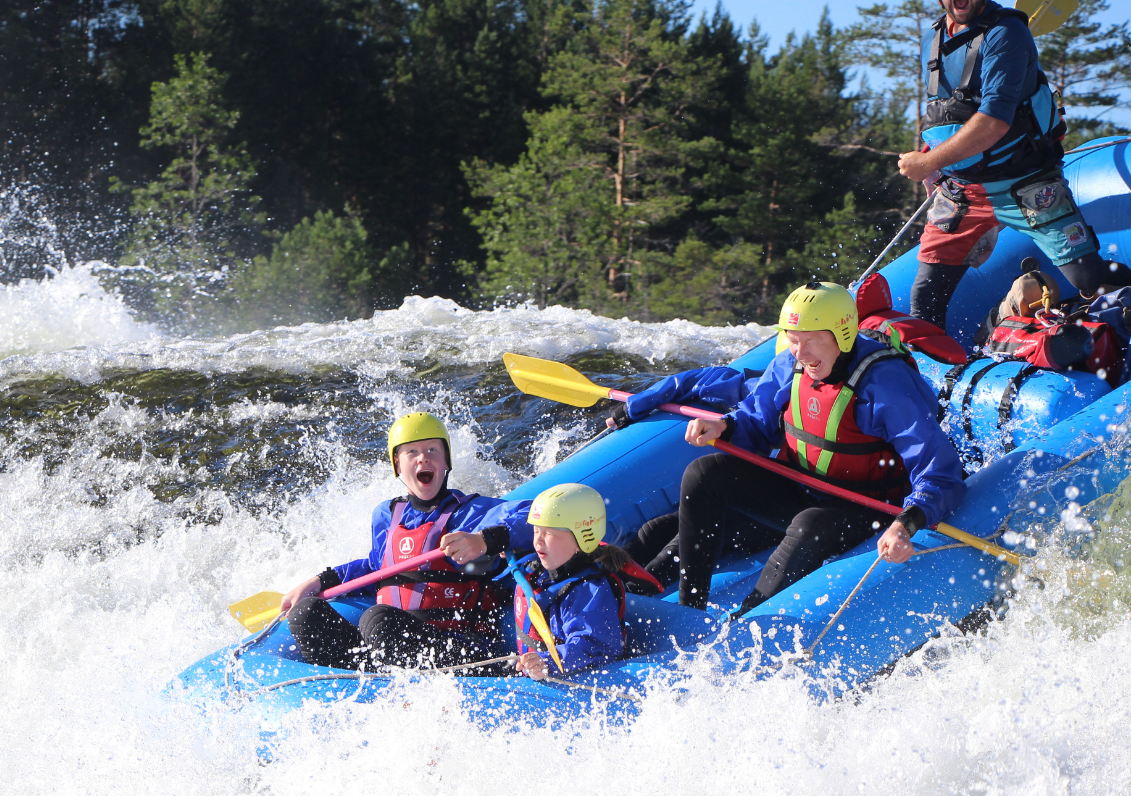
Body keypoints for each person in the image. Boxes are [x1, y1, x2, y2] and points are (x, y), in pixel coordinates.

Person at [631, 282, 967, 613]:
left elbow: (940, 474)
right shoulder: (789, 366)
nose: (800, 353)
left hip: (866, 507)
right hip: (803, 488)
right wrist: (726, 426)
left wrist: (905, 524)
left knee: (809, 524)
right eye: (793, 340)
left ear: (843, 334)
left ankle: (743, 623)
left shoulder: (885, 383)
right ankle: (690, 610)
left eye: (812, 341)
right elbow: (756, 425)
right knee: (702, 474)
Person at [896, 0, 1131, 332]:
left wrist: (927, 162)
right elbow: (950, 111)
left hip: (1027, 181)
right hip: (963, 190)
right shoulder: (932, 40)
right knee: (926, 297)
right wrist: (933, 161)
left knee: (1089, 280)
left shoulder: (1007, 33)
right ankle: (930, 383)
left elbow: (994, 120)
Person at [281, 412, 534, 671]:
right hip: (392, 644)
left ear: (446, 460)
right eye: (411, 451)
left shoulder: (471, 512)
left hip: (461, 649)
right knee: (306, 613)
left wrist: (485, 541)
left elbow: (538, 517)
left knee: (377, 620)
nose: (423, 457)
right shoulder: (386, 515)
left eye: (432, 449)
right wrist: (320, 580)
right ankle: (360, 690)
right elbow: (376, 568)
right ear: (397, 465)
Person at [512, 484, 633, 680]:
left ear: (581, 540)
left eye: (549, 533)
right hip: (534, 669)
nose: (538, 542)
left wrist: (547, 662)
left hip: (577, 680)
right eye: (536, 531)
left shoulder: (590, 592)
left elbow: (592, 646)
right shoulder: (543, 572)